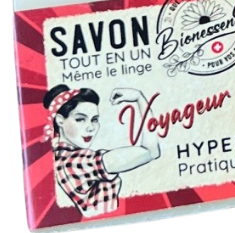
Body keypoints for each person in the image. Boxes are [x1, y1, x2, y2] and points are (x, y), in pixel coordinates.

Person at [43, 84, 162, 217]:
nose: (91, 127)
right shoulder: (76, 161)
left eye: (94, 120)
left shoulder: (62, 157)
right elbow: (151, 152)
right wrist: (139, 98)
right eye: (80, 119)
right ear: (60, 120)